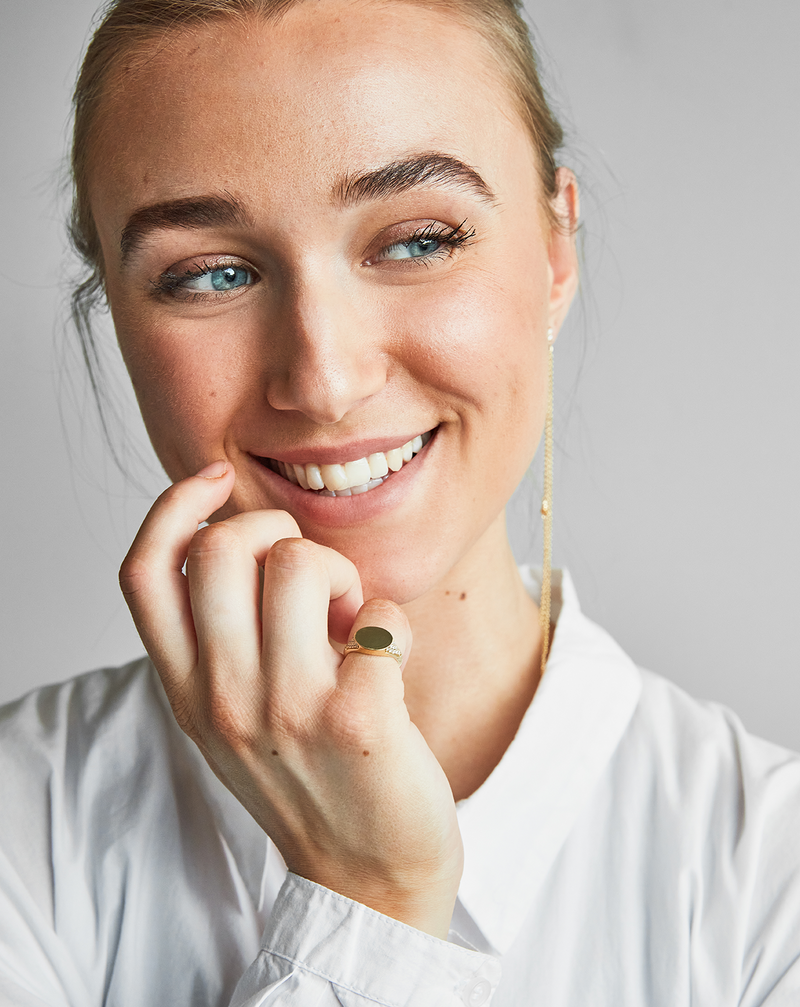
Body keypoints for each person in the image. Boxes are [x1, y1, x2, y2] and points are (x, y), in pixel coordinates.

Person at [1, 0, 799, 1004]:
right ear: (117, 316)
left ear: (553, 253)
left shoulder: (772, 883)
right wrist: (368, 899)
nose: (325, 378)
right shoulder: (18, 823)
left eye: (416, 240)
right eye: (210, 273)